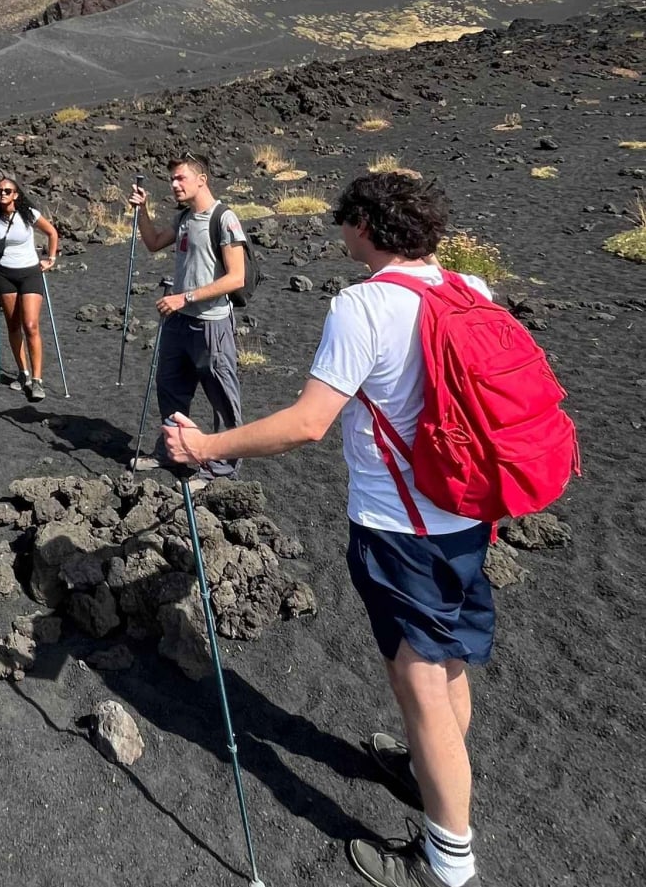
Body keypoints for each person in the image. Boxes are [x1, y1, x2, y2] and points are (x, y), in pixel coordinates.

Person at [163, 173, 490, 887]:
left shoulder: (362, 305)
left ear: (365, 226)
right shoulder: (470, 289)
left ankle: (447, 861)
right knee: (449, 662)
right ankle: (425, 772)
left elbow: (309, 423)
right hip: (468, 516)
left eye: (345, 219)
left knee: (419, 683)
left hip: (400, 528)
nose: (339, 229)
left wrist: (206, 447)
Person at [128, 152, 248, 479]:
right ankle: (171, 452)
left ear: (201, 180)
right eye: (172, 179)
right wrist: (143, 211)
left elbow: (236, 277)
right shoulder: (183, 218)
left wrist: (185, 297)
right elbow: (153, 243)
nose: (174, 184)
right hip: (178, 323)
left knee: (222, 396)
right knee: (170, 389)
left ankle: (222, 469)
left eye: (181, 178)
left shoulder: (223, 218)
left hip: (211, 324)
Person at [0, 175, 59, 402]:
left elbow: (52, 232)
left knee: (31, 325)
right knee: (13, 325)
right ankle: (23, 373)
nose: (3, 194)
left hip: (30, 273)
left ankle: (37, 380)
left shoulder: (29, 214)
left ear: (16, 194)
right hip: (5, 275)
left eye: (7, 191)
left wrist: (51, 258)